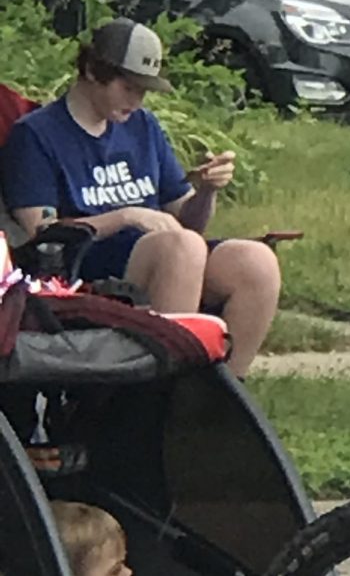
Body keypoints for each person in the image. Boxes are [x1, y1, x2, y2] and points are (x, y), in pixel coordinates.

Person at [2, 20, 280, 378]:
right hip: (84, 263)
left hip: (164, 251)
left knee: (254, 261)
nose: (137, 99)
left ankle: (222, 395)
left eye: (144, 90)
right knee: (180, 249)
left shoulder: (143, 126)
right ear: (91, 71)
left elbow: (186, 219)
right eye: (128, 87)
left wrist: (208, 189)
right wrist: (126, 216)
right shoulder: (37, 134)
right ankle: (165, 393)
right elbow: (44, 233)